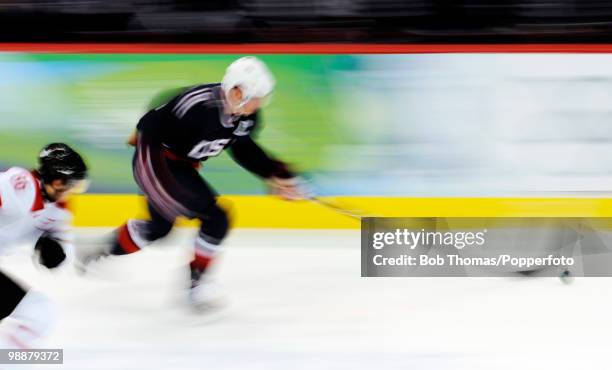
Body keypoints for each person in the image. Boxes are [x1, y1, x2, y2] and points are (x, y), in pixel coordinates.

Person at [95, 56, 303, 310]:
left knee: (159, 229)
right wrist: (164, 185)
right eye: (257, 97)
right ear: (238, 92)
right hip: (154, 160)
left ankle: (101, 252)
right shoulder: (198, 105)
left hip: (180, 165)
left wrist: (277, 174)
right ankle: (197, 287)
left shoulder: (246, 117)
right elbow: (149, 125)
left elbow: (243, 149)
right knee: (216, 217)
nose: (260, 104)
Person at [0, 143, 88, 348]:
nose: (72, 191)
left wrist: (56, 253)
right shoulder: (20, 185)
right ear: (56, 181)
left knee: (40, 313)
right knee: (39, 312)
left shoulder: (59, 210)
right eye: (70, 184)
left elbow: (65, 246)